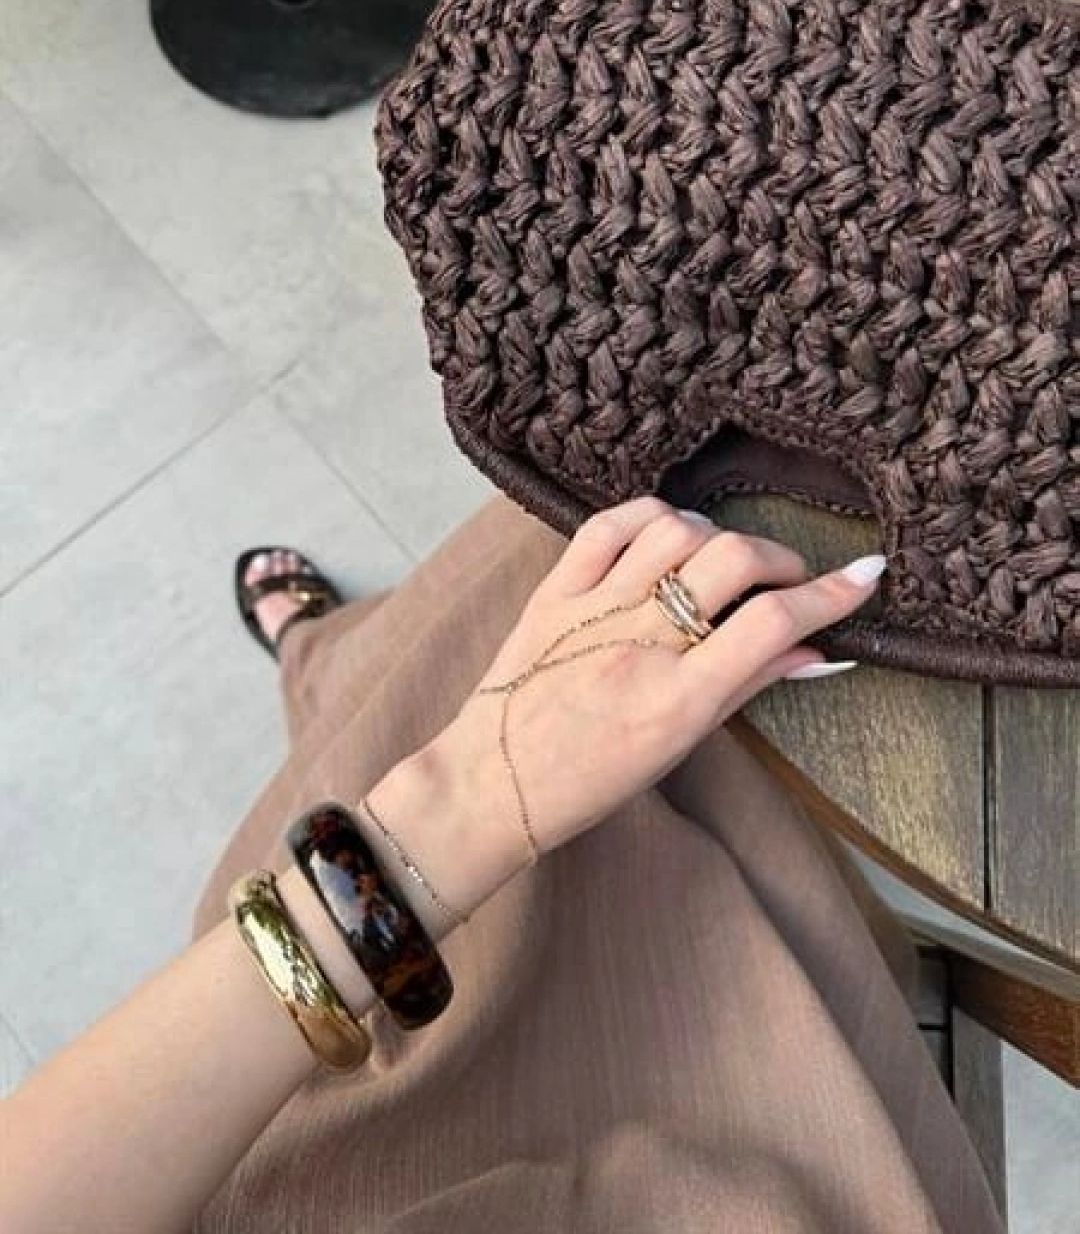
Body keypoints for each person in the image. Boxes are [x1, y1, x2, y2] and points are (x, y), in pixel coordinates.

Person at [0, 497, 1004, 1233]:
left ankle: (323, 659)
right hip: (756, 1171)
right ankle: (331, 665)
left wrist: (466, 796)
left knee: (572, 579)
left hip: (250, 1095)